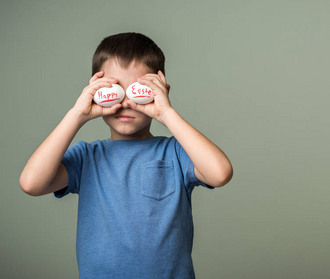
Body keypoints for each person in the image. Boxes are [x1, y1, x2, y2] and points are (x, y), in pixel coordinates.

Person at [19, 32, 233, 278]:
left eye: (137, 89)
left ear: (161, 90)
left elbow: (220, 173)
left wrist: (166, 113)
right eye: (114, 88)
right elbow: (31, 183)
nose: (125, 101)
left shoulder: (176, 153)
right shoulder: (87, 157)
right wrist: (77, 114)